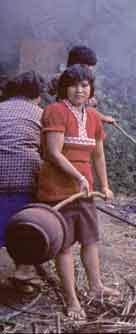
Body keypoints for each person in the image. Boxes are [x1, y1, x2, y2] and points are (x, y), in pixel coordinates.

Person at [37, 65, 119, 319]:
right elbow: (53, 153)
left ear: (90, 89)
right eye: (74, 85)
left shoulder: (93, 116)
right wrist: (78, 176)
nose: (80, 89)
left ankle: (96, 286)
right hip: (57, 191)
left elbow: (98, 154)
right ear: (64, 88)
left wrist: (103, 185)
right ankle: (72, 300)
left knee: (90, 240)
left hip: (84, 191)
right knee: (63, 246)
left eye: (85, 85)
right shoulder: (55, 111)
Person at [0, 71, 46, 292]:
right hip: (25, 177)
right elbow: (48, 151)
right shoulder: (40, 113)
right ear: (36, 95)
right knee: (26, 223)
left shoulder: (0, 108)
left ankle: (23, 271)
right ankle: (25, 268)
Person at [48, 45, 114, 124]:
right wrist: (103, 118)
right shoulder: (66, 81)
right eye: (88, 66)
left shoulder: (63, 78)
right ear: (76, 66)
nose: (91, 69)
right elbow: (83, 108)